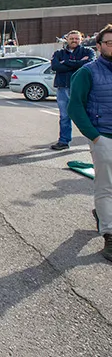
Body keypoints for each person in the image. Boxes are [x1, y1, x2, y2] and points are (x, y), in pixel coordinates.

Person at [68, 24, 112, 262]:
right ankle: (109, 234)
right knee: (106, 187)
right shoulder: (87, 72)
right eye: (109, 43)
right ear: (99, 46)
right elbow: (75, 106)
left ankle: (103, 216)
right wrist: (94, 136)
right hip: (104, 136)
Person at [51, 30, 96, 150]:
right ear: (67, 39)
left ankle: (95, 141)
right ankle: (64, 142)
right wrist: (78, 62)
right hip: (63, 88)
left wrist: (65, 63)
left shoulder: (88, 51)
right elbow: (55, 66)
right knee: (64, 116)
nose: (74, 41)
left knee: (89, 115)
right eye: (72, 38)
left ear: (81, 40)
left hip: (82, 88)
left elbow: (89, 64)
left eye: (77, 39)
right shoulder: (58, 53)